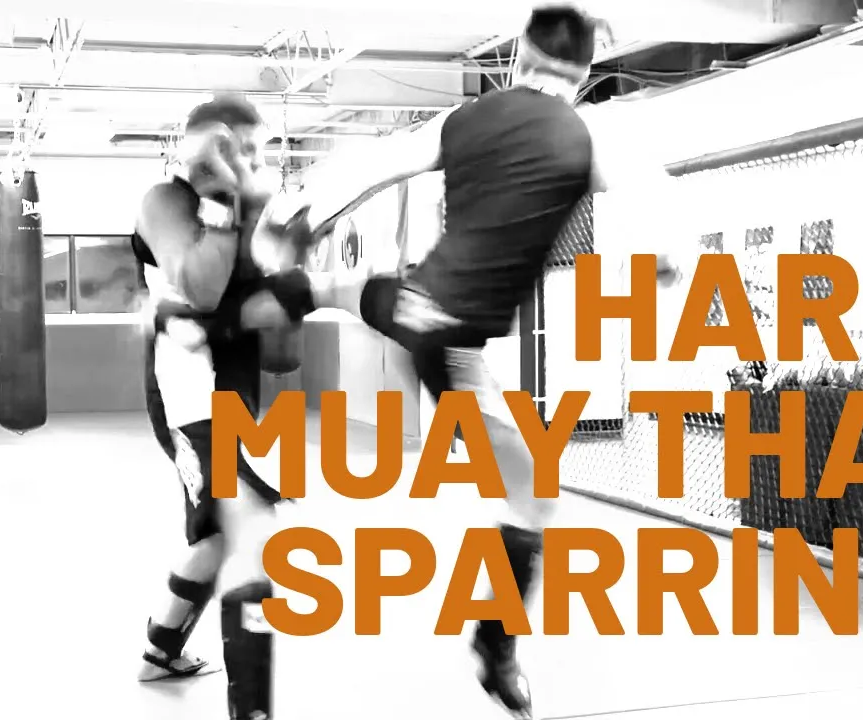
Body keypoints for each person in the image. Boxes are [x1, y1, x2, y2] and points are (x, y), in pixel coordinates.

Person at [248, 5, 681, 719]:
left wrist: (297, 216)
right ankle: (495, 644)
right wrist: (667, 253)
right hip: (452, 340)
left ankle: (294, 291)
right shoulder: (590, 134)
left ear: (517, 56)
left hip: (416, 302)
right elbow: (652, 194)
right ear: (584, 72)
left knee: (357, 292)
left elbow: (373, 165)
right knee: (534, 497)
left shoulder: (460, 120)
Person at [133, 94, 295, 720]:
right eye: (241, 150)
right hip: (188, 395)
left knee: (216, 535)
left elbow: (280, 349)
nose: (252, 163)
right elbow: (200, 287)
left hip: (236, 399)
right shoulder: (165, 201)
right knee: (252, 531)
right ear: (205, 148)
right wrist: (223, 200)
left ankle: (161, 649)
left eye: (258, 152)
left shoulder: (251, 210)